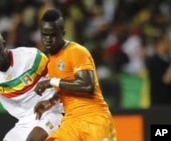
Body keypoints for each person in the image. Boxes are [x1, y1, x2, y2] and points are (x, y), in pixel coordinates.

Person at [33, 9, 117, 141]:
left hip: (94, 118)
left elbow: (87, 85)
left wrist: (51, 82)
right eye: (44, 35)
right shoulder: (51, 62)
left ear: (63, 33)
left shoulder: (77, 51)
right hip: (71, 121)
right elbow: (64, 90)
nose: (48, 39)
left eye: (53, 35)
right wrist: (50, 102)